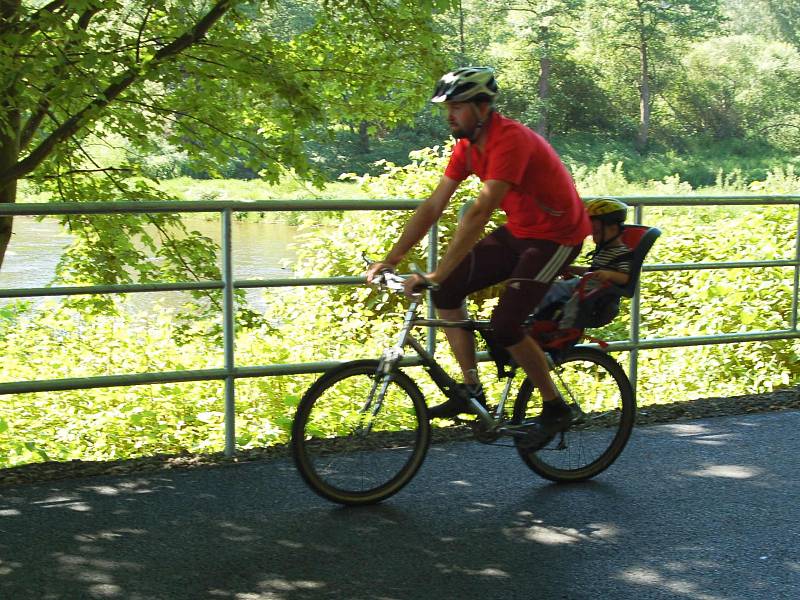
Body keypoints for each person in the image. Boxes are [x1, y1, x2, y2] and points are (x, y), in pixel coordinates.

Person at [366, 66, 591, 440]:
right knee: (448, 292)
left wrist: (435, 272)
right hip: (520, 230)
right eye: (446, 108)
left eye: (457, 106)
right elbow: (433, 205)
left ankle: (556, 407)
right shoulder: (467, 148)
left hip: (558, 236)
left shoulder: (510, 141)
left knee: (505, 325)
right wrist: (392, 258)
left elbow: (480, 212)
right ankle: (472, 389)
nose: (449, 115)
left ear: (483, 107)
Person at [537, 198, 632, 329]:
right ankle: (537, 318)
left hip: (596, 292)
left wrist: (608, 274)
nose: (593, 237)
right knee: (552, 287)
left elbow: (625, 277)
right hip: (583, 284)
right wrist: (569, 268)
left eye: (597, 232)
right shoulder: (604, 250)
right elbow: (592, 271)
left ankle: (563, 329)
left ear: (613, 229)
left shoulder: (623, 254)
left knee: (574, 304)